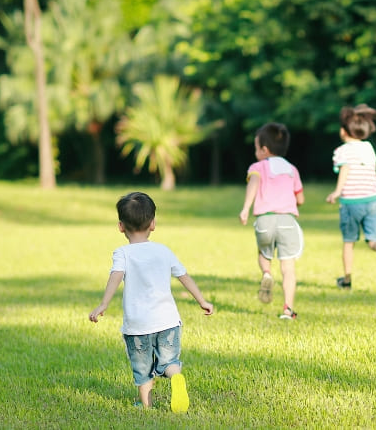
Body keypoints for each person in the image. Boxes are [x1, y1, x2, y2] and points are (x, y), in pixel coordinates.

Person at [89, 192, 214, 412]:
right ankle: (175, 377)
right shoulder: (163, 251)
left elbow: (115, 277)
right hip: (168, 321)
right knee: (169, 362)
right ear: (153, 224)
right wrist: (202, 300)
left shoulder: (123, 253)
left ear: (120, 226)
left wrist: (103, 304)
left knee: (142, 367)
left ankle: (145, 405)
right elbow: (184, 276)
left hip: (138, 325)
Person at [325, 104, 376, 289]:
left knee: (349, 242)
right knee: (373, 240)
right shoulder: (369, 148)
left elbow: (345, 169)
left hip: (352, 202)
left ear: (343, 131)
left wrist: (337, 191)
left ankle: (347, 280)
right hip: (374, 199)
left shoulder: (342, 150)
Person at [239, 122, 305, 320]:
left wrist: (245, 209)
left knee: (263, 253)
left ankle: (266, 272)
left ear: (264, 149)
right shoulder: (292, 169)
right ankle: (288, 309)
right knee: (288, 267)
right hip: (287, 220)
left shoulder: (257, 167)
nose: (255, 152)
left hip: (264, 221)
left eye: (256, 148)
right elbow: (300, 199)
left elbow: (254, 184)